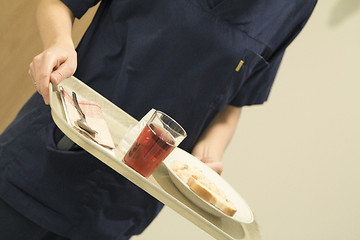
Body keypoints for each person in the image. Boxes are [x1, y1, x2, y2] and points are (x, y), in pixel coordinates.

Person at [0, 0, 317, 239]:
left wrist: (210, 154)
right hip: (43, 159)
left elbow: (235, 100)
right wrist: (59, 43)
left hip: (121, 206)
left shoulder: (293, 6)